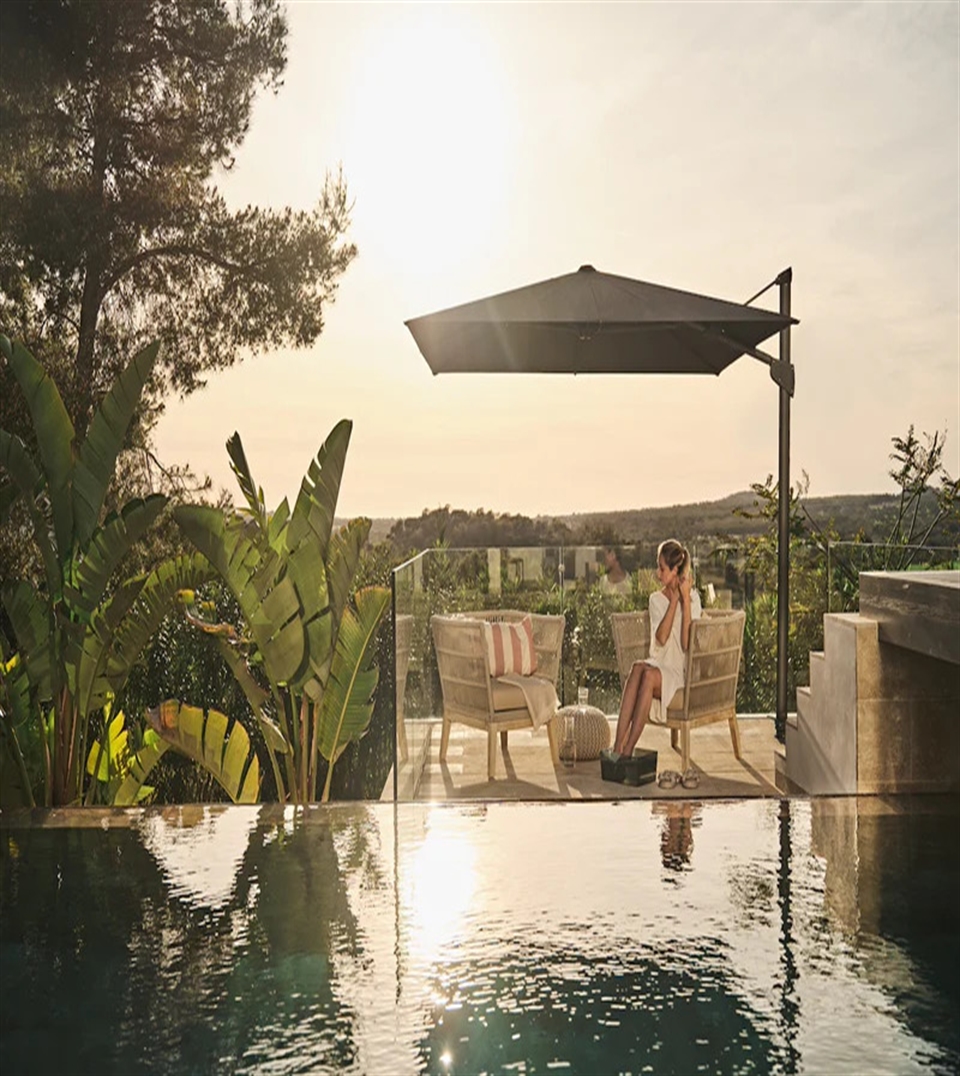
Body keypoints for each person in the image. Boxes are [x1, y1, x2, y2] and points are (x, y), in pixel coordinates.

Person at [611, 538, 702, 756]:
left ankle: (628, 750)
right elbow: (661, 638)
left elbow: (686, 643)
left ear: (675, 570)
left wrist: (684, 601)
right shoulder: (655, 599)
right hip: (661, 663)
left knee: (649, 676)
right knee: (637, 668)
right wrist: (673, 601)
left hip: (680, 671)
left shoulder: (694, 599)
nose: (657, 573)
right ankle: (617, 747)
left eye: (662, 568)